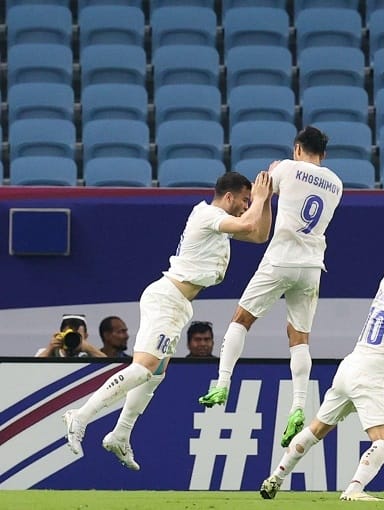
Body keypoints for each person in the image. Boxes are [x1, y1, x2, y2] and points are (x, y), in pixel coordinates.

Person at [63, 170, 273, 471]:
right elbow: (249, 222)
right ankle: (80, 417)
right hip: (167, 299)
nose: (245, 205)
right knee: (143, 367)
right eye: (243, 199)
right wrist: (262, 198)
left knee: (156, 373)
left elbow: (259, 234)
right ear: (228, 197)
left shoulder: (221, 224)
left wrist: (266, 202)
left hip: (177, 304)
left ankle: (120, 434)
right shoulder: (207, 215)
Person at [258, 239, 384, 502]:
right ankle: (354, 489)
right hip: (369, 374)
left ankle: (275, 478)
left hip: (349, 366)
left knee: (317, 428)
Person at [199, 126, 344, 449]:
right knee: (299, 338)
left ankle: (223, 383)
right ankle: (298, 406)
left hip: (280, 258)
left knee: (242, 319)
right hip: (312, 266)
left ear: (297, 148)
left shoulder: (286, 168)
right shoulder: (336, 184)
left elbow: (259, 196)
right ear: (324, 154)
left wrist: (272, 177)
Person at [36, 314, 106, 358]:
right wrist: (49, 349)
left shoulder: (92, 354)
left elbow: (110, 368)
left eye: (77, 336)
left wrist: (90, 349)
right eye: (69, 335)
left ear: (85, 336)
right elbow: (33, 369)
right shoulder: (47, 352)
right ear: (61, 334)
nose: (72, 339)